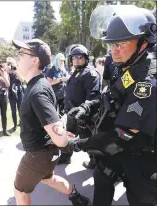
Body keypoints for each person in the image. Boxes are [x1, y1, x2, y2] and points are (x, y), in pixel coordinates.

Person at [67, 5, 157, 206]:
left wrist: (78, 144)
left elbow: (124, 133)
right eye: (112, 45)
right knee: (102, 178)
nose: (114, 51)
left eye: (121, 44)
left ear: (143, 43)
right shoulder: (125, 67)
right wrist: (86, 108)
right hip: (116, 148)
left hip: (141, 155)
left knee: (141, 197)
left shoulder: (148, 83)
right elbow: (110, 95)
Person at [12, 39, 90, 206]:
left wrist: (64, 136)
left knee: (19, 191)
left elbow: (61, 140)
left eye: (21, 54)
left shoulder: (37, 91)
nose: (17, 58)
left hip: (37, 154)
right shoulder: (40, 84)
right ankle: (77, 197)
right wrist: (60, 130)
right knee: (49, 178)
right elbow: (51, 121)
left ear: (34, 60)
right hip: (46, 153)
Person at [58, 44, 101, 169]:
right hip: (71, 112)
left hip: (83, 114)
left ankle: (94, 160)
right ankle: (66, 156)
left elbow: (93, 96)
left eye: (79, 57)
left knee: (87, 139)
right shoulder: (76, 72)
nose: (76, 60)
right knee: (68, 134)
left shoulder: (91, 74)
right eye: (74, 58)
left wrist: (84, 110)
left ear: (86, 58)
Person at [7, 57, 24, 131]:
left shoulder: (18, 70)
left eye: (12, 64)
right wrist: (7, 71)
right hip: (11, 93)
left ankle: (22, 122)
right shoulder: (7, 72)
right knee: (13, 110)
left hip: (19, 92)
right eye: (9, 64)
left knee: (21, 109)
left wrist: (16, 72)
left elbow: (23, 80)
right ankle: (15, 125)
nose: (11, 66)